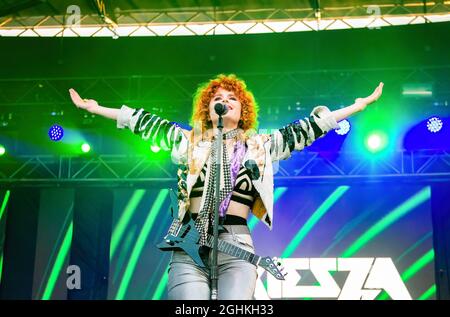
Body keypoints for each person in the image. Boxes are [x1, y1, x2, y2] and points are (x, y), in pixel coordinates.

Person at [69, 74, 383, 300]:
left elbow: (309, 128)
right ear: (208, 109)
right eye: (217, 99)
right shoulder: (187, 141)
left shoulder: (262, 145)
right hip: (189, 245)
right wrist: (95, 109)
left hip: (237, 244)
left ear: (242, 109)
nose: (224, 102)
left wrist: (357, 107)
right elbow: (143, 122)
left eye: (231, 98)